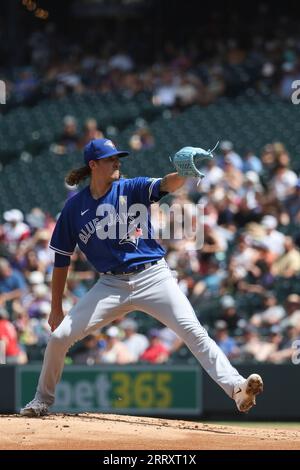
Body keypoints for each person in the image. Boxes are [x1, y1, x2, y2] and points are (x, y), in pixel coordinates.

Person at [20, 138, 263, 417]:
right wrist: (55, 307)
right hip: (111, 284)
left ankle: (237, 389)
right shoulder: (74, 209)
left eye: (118, 158)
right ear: (93, 165)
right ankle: (41, 401)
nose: (117, 162)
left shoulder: (129, 187)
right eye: (111, 159)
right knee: (60, 337)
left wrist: (183, 174)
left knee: (194, 332)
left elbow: (164, 185)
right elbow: (61, 260)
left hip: (154, 276)